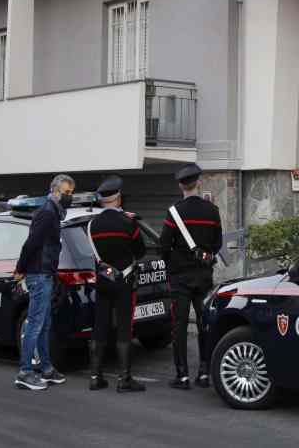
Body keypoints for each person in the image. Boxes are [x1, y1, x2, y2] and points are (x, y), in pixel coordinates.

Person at [160, 163, 223, 389]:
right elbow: (218, 244)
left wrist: (174, 263)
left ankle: (182, 376)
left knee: (179, 326)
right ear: (199, 183)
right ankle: (204, 373)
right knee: (204, 324)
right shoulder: (212, 211)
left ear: (180, 185)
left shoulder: (174, 213)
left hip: (180, 278)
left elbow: (163, 246)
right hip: (204, 276)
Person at [14, 174, 74, 391]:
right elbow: (31, 244)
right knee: (35, 324)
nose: (70, 197)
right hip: (38, 274)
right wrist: (20, 268)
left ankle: (46, 369)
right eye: (67, 193)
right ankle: (25, 372)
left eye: (71, 193)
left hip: (45, 273)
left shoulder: (54, 213)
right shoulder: (48, 213)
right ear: (55, 191)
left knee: (45, 324)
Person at [88, 175, 146, 393]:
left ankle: (95, 377)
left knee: (100, 326)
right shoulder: (129, 223)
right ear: (118, 198)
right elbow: (140, 251)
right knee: (124, 328)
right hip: (124, 281)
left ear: (103, 200)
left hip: (102, 281)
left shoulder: (93, 225)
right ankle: (124, 379)